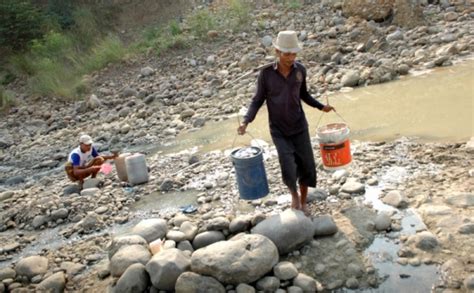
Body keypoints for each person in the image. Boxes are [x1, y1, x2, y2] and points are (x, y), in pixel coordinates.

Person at [237, 30, 335, 214]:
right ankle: (294, 195)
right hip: (279, 129)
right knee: (288, 165)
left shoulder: (300, 71)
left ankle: (304, 200)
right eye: (287, 53)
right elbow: (257, 100)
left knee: (307, 165)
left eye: (294, 53)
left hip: (299, 125)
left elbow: (304, 95)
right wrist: (246, 121)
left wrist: (321, 107)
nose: (291, 57)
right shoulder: (266, 74)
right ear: (277, 51)